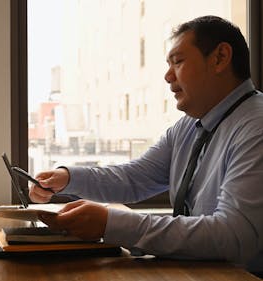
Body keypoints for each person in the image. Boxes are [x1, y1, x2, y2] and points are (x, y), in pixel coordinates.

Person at [29, 15, 263, 276]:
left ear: (220, 58)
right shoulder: (188, 127)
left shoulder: (256, 127)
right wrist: (67, 178)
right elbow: (133, 178)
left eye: (178, 61)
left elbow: (234, 237)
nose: (167, 76)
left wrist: (112, 224)